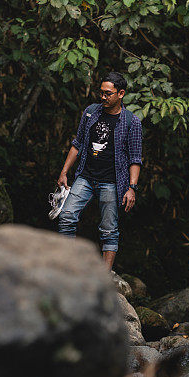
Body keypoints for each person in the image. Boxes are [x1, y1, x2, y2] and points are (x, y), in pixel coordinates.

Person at [57, 71, 142, 271]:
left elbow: (135, 159)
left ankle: (104, 277)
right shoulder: (91, 112)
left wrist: (132, 188)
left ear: (120, 94)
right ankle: (64, 266)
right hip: (85, 177)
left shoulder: (131, 122)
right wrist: (64, 172)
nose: (103, 97)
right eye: (101, 93)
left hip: (111, 182)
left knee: (109, 229)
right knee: (66, 217)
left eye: (108, 93)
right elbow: (77, 144)